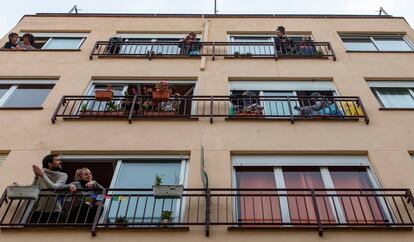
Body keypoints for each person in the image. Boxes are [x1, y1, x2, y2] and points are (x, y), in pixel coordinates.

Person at [29, 154, 68, 223]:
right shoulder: (41, 172)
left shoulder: (63, 175)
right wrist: (36, 177)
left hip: (55, 211)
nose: (60, 162)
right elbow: (33, 189)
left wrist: (43, 176)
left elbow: (54, 188)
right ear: (50, 164)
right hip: (38, 210)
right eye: (57, 160)